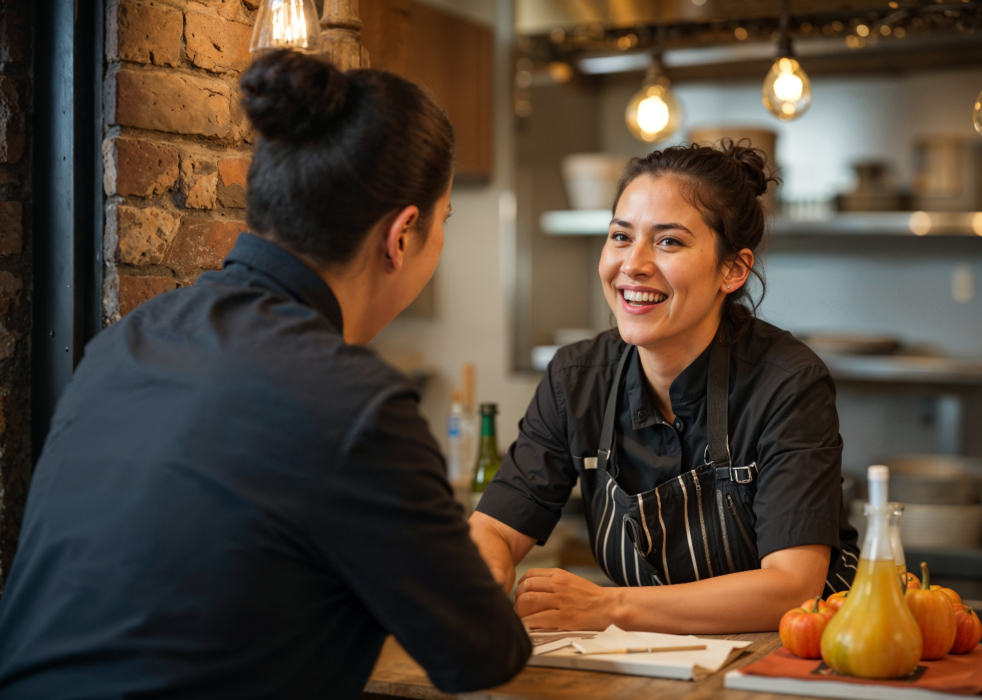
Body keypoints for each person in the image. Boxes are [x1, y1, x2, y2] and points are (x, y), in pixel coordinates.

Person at [0, 51, 529, 698]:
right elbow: (481, 653)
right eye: (444, 221)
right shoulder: (352, 398)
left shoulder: (126, 342)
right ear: (402, 235)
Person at [469, 141, 860, 634]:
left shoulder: (786, 383)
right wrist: (478, 583)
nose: (632, 264)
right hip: (653, 666)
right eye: (620, 236)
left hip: (791, 663)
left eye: (668, 241)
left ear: (732, 270)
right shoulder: (577, 378)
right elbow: (494, 528)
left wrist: (610, 608)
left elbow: (791, 586)